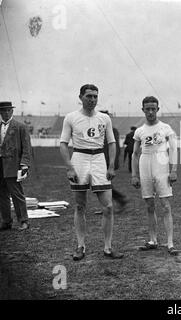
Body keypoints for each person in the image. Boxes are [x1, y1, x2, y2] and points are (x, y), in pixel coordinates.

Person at [59, 84, 124, 261]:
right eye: (89, 96)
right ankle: (80, 246)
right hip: (79, 158)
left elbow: (111, 143)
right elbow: (63, 144)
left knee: (108, 206)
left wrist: (111, 166)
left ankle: (108, 247)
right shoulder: (71, 117)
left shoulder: (104, 118)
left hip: (98, 161)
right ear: (80, 97)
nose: (92, 100)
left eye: (95, 96)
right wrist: (69, 168)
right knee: (80, 205)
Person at [131, 96, 178, 255]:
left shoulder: (166, 128)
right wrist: (134, 175)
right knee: (149, 205)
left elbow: (173, 150)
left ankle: (170, 242)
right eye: (147, 109)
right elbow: (135, 154)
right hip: (145, 164)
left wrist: (173, 170)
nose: (150, 112)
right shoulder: (140, 131)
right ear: (143, 109)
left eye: (153, 108)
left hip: (161, 164)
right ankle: (153, 240)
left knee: (165, 204)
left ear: (157, 109)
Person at [0, 101, 31, 231]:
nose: (6, 113)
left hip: (13, 165)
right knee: (2, 195)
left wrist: (24, 164)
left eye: (8, 110)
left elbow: (27, 147)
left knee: (17, 194)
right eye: (3, 111)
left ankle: (24, 221)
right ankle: (6, 221)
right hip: (0, 166)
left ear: (12, 111)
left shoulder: (20, 126)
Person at [99, 110, 129, 212]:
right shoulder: (112, 130)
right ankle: (118, 201)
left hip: (106, 162)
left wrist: (110, 164)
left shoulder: (109, 131)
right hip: (108, 161)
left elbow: (111, 148)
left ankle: (120, 200)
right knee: (103, 184)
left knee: (102, 185)